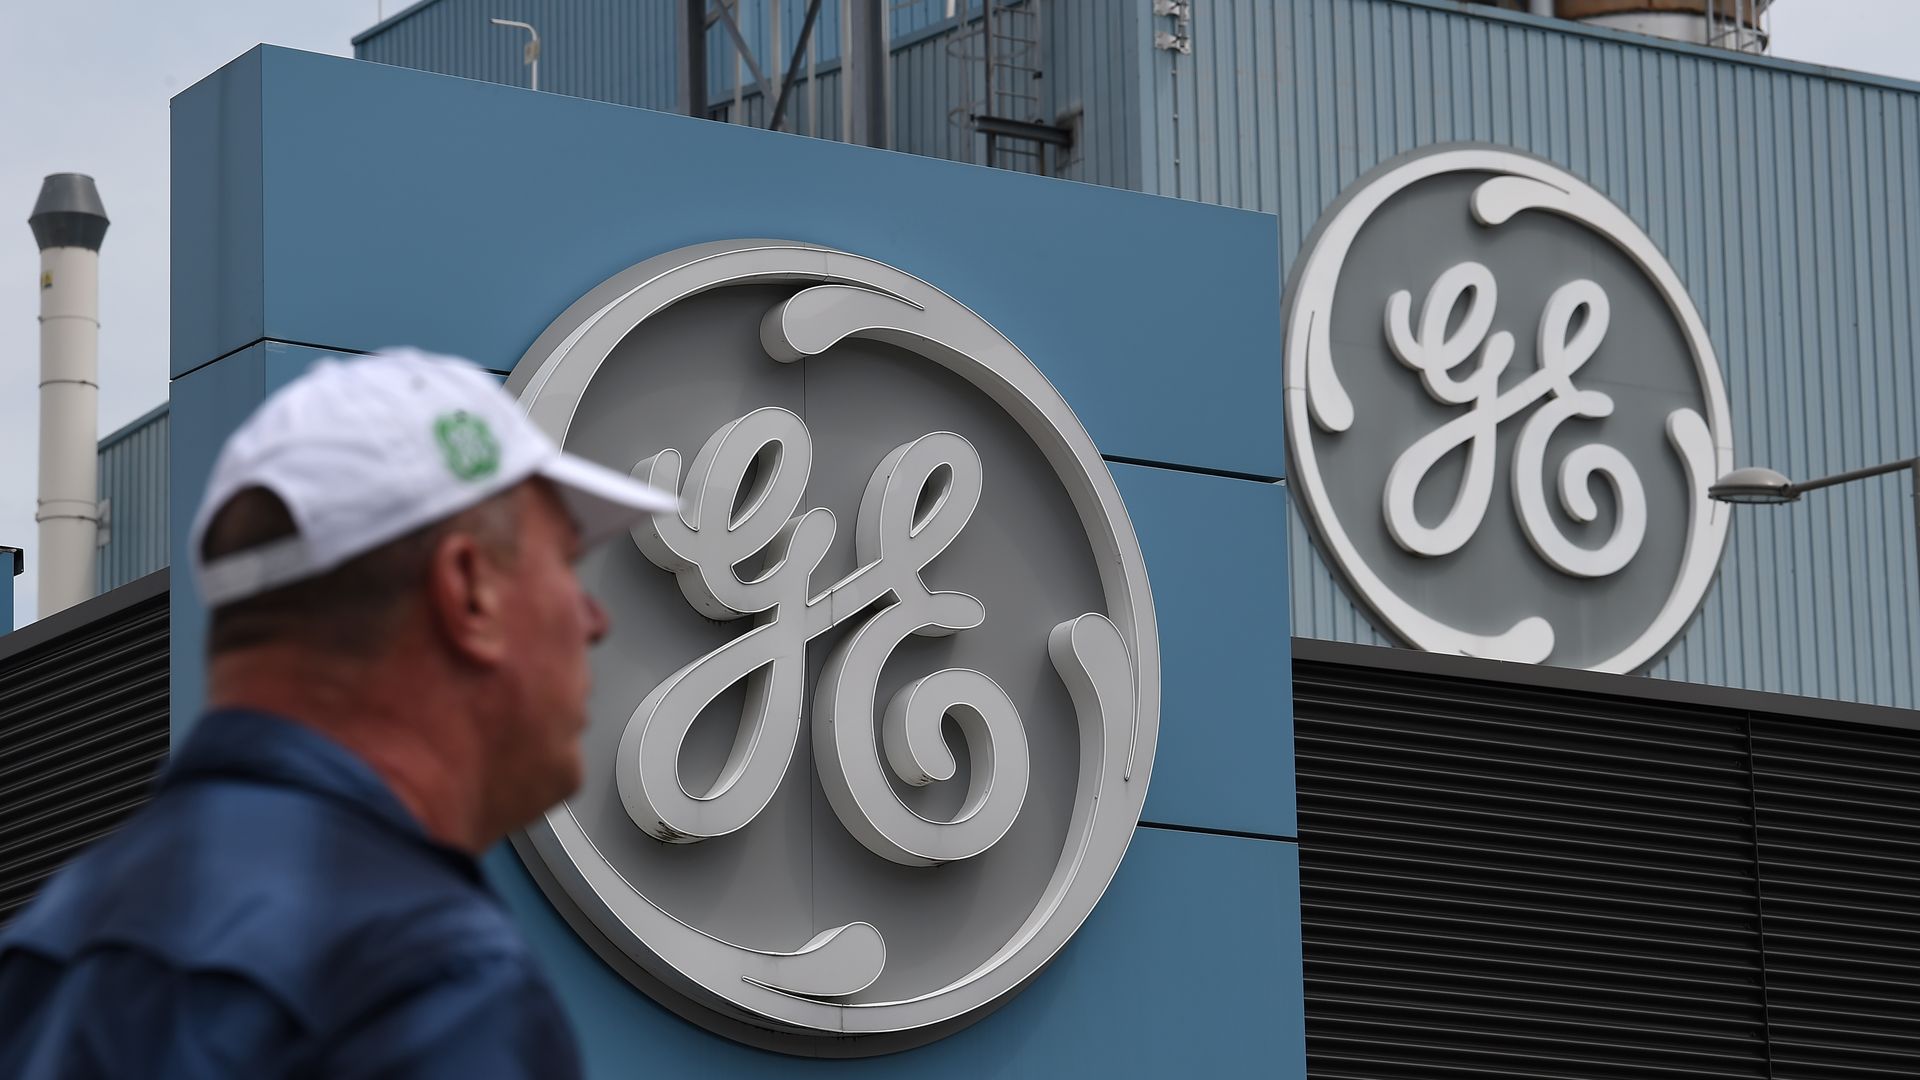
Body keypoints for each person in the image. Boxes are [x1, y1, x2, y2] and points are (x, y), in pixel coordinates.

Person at [0, 348, 676, 1078]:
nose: (595, 618)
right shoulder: (429, 974)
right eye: (566, 565)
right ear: (469, 588)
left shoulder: (47, 951)